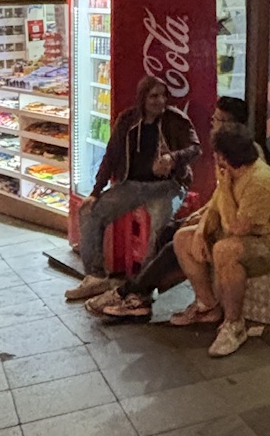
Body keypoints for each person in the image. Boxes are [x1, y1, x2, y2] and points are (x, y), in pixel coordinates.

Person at [99, 95, 250, 322]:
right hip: (218, 214)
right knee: (166, 231)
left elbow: (234, 206)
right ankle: (141, 298)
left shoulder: (242, 156)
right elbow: (220, 197)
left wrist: (201, 224)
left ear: (232, 126)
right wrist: (199, 216)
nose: (212, 125)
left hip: (231, 224)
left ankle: (129, 292)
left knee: (175, 244)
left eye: (218, 120)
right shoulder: (224, 151)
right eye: (214, 119)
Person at [64, 76, 200, 304]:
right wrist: (96, 191)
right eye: (153, 96)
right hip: (132, 184)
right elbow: (111, 155)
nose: (160, 101)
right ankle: (96, 276)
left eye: (163, 95)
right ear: (142, 98)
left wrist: (173, 158)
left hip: (168, 186)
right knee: (88, 211)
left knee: (159, 225)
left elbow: (196, 148)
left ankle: (142, 287)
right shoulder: (128, 120)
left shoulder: (175, 119)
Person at [169, 124, 270, 357]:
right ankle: (207, 306)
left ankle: (234, 325)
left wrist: (226, 187)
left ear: (223, 157)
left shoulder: (260, 181)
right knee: (183, 238)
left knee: (224, 250)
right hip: (248, 235)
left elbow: (235, 228)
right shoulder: (231, 173)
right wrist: (200, 232)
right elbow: (214, 205)